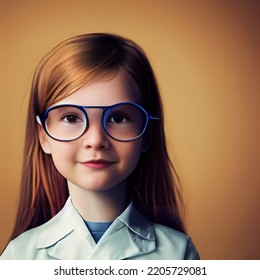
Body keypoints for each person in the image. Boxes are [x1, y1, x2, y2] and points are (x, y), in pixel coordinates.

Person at [0, 33, 199, 260]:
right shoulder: (19, 256)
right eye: (71, 118)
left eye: (117, 118)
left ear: (147, 134)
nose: (95, 140)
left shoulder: (178, 252)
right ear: (44, 136)